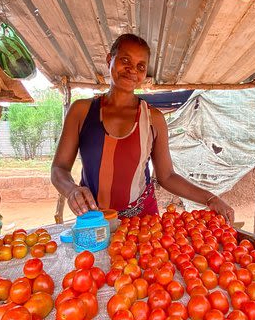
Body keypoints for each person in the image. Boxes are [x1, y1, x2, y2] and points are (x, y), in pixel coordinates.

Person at [51, 33, 235, 223]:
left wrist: (210, 199)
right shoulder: (82, 111)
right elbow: (59, 168)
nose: (132, 70)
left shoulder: (153, 119)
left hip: (143, 222)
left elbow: (167, 176)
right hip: (94, 219)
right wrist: (71, 190)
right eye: (125, 60)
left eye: (140, 66)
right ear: (109, 60)